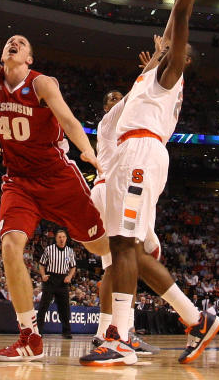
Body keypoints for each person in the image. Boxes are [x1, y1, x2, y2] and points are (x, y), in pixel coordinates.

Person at [81, 0, 219, 367]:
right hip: (131, 155)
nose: (163, 45)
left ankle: (120, 336)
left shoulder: (170, 75)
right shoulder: (149, 76)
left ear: (180, 58)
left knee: (123, 245)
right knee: (130, 251)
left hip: (141, 155)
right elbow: (167, 28)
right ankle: (194, 318)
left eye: (170, 49)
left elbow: (179, 24)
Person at [0, 0, 109, 361]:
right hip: (19, 181)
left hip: (58, 176)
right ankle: (30, 337)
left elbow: (69, 119)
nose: (13, 43)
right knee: (10, 245)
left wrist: (88, 151)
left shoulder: (42, 83)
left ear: (29, 59)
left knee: (102, 249)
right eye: (11, 41)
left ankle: (132, 274)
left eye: (21, 44)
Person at [90, 87, 160, 355]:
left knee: (113, 266)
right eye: (112, 99)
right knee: (128, 258)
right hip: (111, 189)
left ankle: (105, 331)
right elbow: (137, 94)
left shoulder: (125, 129)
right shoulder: (111, 122)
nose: (117, 101)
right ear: (107, 107)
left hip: (105, 190)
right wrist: (153, 64)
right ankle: (124, 332)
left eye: (118, 98)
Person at [36, 229, 77, 338]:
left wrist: (69, 276)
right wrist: (43, 275)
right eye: (59, 237)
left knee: (65, 307)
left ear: (66, 238)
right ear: (56, 238)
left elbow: (73, 267)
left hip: (63, 281)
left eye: (63, 237)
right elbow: (41, 264)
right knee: (43, 306)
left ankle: (66, 332)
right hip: (50, 279)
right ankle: (38, 331)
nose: (61, 239)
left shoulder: (70, 251)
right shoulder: (49, 249)